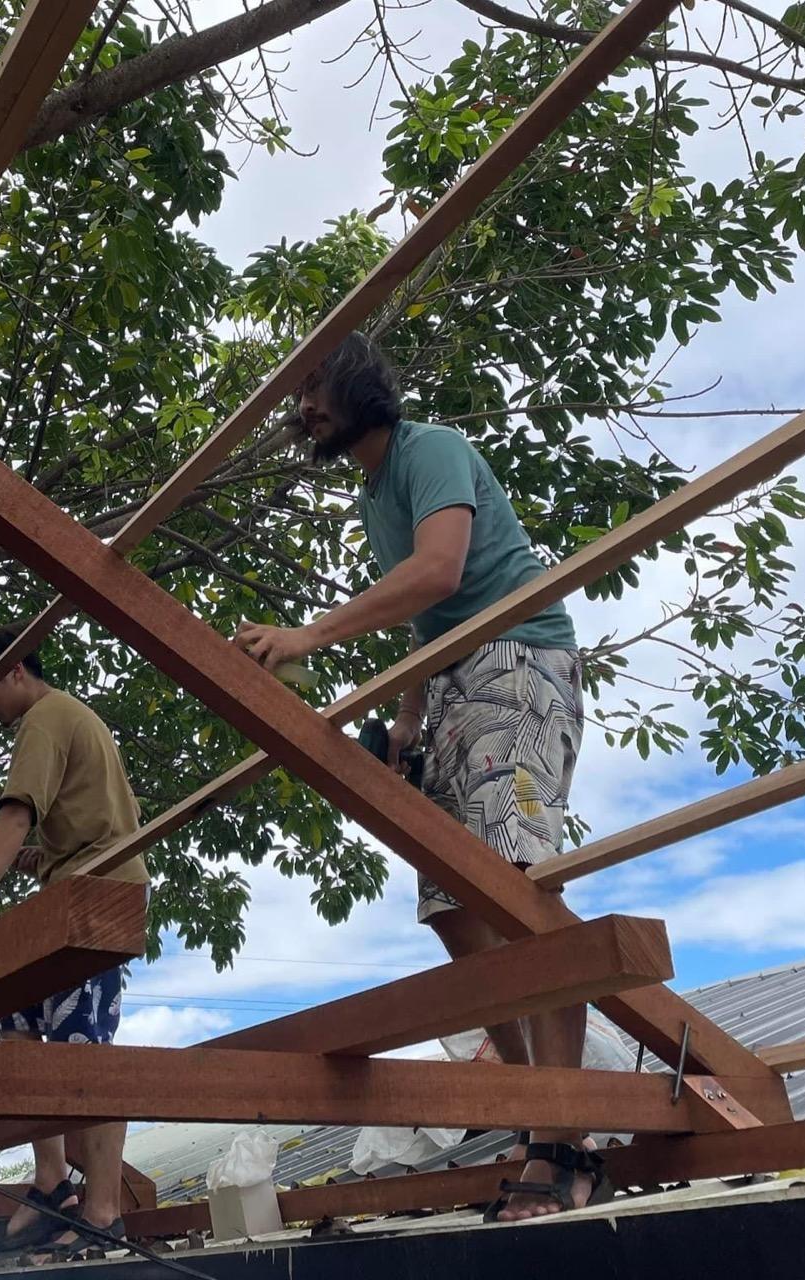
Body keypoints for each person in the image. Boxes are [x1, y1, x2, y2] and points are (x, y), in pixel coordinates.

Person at [235, 332, 606, 1222]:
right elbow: (427, 614)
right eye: (298, 394)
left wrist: (310, 634)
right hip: (453, 682)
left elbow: (440, 570)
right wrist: (406, 718)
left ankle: (567, 1137)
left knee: (516, 884)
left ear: (358, 383)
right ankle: (536, 1111)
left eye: (314, 386)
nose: (303, 407)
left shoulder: (430, 448)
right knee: (450, 906)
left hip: (518, 659)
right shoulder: (374, 497)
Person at [0, 627, 151, 1256]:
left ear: (14, 671)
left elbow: (15, 813)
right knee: (19, 1024)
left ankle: (104, 1211)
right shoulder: (71, 718)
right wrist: (49, 857)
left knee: (85, 1051)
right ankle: (54, 1182)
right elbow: (97, 815)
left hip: (97, 900)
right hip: (72, 888)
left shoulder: (44, 717)